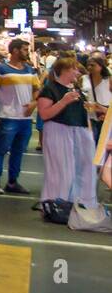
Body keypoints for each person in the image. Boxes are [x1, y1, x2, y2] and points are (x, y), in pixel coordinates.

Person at [38, 56, 101, 216]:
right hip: (58, 130)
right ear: (64, 70)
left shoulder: (76, 89)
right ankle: (56, 204)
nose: (78, 72)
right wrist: (64, 102)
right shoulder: (50, 89)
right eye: (74, 69)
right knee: (61, 170)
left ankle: (81, 202)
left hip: (80, 132)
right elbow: (44, 114)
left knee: (85, 168)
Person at [0, 39, 41, 195]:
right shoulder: (0, 69)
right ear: (16, 50)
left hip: (25, 119)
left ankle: (12, 181)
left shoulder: (30, 70)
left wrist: (34, 103)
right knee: (1, 150)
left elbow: (37, 89)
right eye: (25, 49)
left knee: (18, 151)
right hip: (6, 116)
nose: (27, 52)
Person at [81, 54, 110, 139]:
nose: (89, 67)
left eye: (92, 65)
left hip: (106, 116)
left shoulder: (108, 80)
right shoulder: (83, 78)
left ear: (101, 66)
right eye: (88, 65)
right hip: (90, 117)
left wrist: (106, 111)